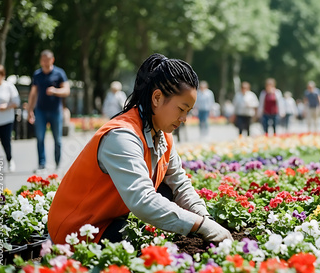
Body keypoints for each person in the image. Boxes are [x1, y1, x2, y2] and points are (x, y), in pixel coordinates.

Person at [47, 53, 232, 245]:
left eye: (188, 111)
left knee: (167, 191)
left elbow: (179, 184)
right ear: (157, 97)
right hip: (76, 232)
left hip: (108, 220)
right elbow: (142, 200)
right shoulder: (121, 136)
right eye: (181, 109)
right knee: (153, 252)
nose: (184, 118)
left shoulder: (163, 134)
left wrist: (206, 218)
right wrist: (200, 226)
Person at [28, 50, 70, 172]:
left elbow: (66, 91)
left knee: (57, 139)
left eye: (47, 60)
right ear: (41, 61)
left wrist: (55, 91)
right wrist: (30, 109)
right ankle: (42, 164)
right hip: (40, 111)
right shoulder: (37, 75)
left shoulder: (59, 73)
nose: (45, 62)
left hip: (55, 111)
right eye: (43, 60)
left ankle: (57, 163)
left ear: (52, 60)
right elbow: (33, 93)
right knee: (40, 138)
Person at [0, 64, 20, 175]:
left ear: (2, 75)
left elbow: (17, 102)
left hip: (6, 121)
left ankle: (10, 159)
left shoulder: (9, 86)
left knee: (6, 143)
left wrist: (6, 106)